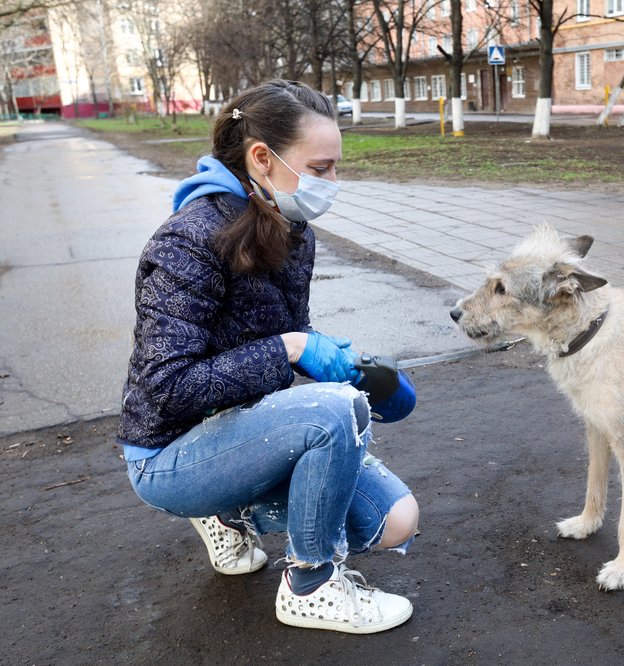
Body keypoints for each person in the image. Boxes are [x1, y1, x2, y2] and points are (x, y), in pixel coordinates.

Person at [116, 79, 418, 634]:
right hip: (169, 456)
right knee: (333, 412)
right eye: (321, 168)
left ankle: (228, 510)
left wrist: (342, 361)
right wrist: (292, 349)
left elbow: (279, 336)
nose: (333, 183)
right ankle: (311, 585)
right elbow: (166, 385)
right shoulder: (186, 241)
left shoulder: (289, 227)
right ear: (262, 157)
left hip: (239, 430)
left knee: (396, 521)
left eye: (335, 168)